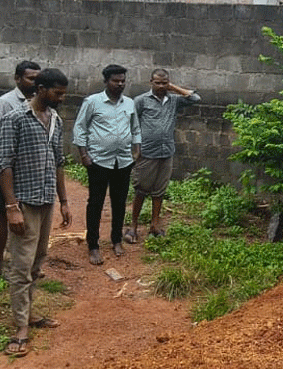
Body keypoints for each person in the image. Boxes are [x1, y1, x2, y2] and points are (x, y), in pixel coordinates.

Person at [0, 68, 72, 357]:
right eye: (58, 93)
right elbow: (4, 165)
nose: (62, 98)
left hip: (46, 203)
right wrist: (12, 208)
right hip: (24, 204)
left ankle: (28, 315)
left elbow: (59, 162)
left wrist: (63, 201)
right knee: (20, 267)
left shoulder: (55, 120)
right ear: (41, 89)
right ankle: (20, 329)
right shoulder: (14, 118)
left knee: (38, 262)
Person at [72, 64, 140, 265]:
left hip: (123, 161)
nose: (120, 84)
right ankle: (93, 245)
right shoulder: (92, 102)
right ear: (106, 81)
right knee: (96, 203)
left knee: (119, 203)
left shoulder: (129, 103)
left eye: (122, 81)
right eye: (115, 80)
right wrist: (84, 155)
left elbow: (135, 128)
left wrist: (137, 149)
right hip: (99, 161)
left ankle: (116, 240)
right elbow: (80, 128)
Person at [127, 68, 200, 242]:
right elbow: (131, 123)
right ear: (150, 82)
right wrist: (134, 148)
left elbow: (195, 98)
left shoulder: (173, 100)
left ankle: (154, 226)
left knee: (159, 191)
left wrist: (173, 88)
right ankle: (133, 227)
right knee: (141, 190)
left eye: (164, 83)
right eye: (157, 82)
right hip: (146, 153)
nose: (161, 86)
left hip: (166, 152)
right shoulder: (141, 101)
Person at [0, 60, 40, 274]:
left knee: (31, 215)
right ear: (18, 79)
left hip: (31, 170)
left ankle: (26, 263)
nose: (35, 82)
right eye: (31, 78)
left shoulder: (39, 103)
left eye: (38, 78)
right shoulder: (4, 103)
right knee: (4, 212)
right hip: (9, 170)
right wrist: (2, 169)